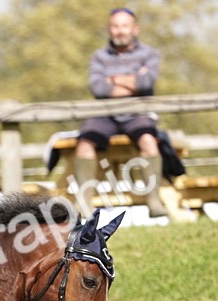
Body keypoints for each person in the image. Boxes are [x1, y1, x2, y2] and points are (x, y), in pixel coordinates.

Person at [73, 7, 168, 217]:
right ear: (109, 29)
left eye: (124, 26)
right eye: (115, 26)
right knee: (84, 143)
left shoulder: (150, 54)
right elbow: (97, 87)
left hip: (138, 113)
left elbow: (146, 82)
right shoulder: (98, 56)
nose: (120, 31)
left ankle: (154, 201)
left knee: (149, 141)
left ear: (135, 29)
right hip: (104, 113)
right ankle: (84, 205)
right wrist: (132, 80)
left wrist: (113, 80)